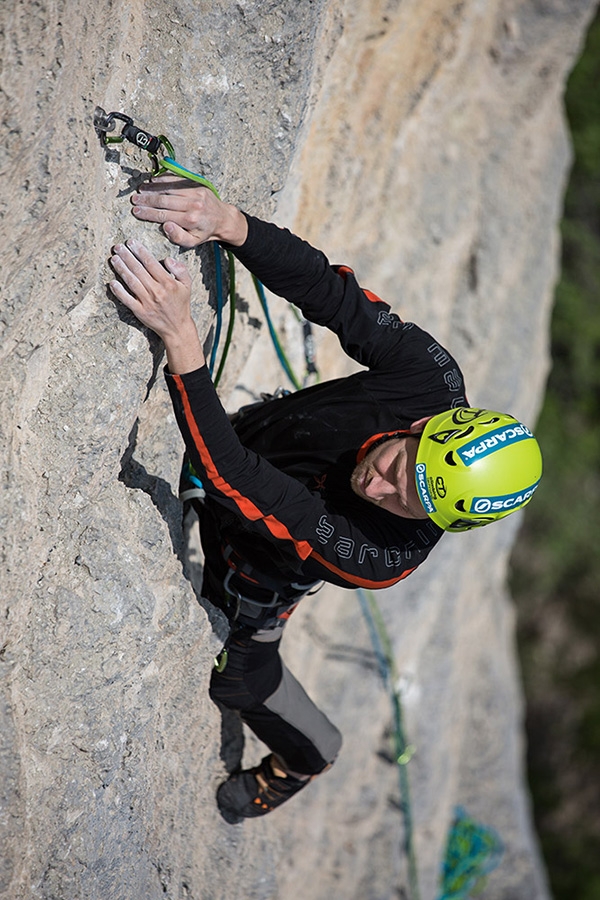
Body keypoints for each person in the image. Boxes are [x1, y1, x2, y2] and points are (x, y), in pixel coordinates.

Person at [108, 176, 542, 821]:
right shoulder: (430, 380)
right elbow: (328, 291)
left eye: (409, 502)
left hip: (256, 561)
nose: (382, 488)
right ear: (424, 426)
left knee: (240, 681)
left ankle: (309, 757)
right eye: (403, 467)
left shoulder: (384, 555)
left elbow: (230, 476)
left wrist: (182, 341)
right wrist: (228, 221)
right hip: (254, 445)